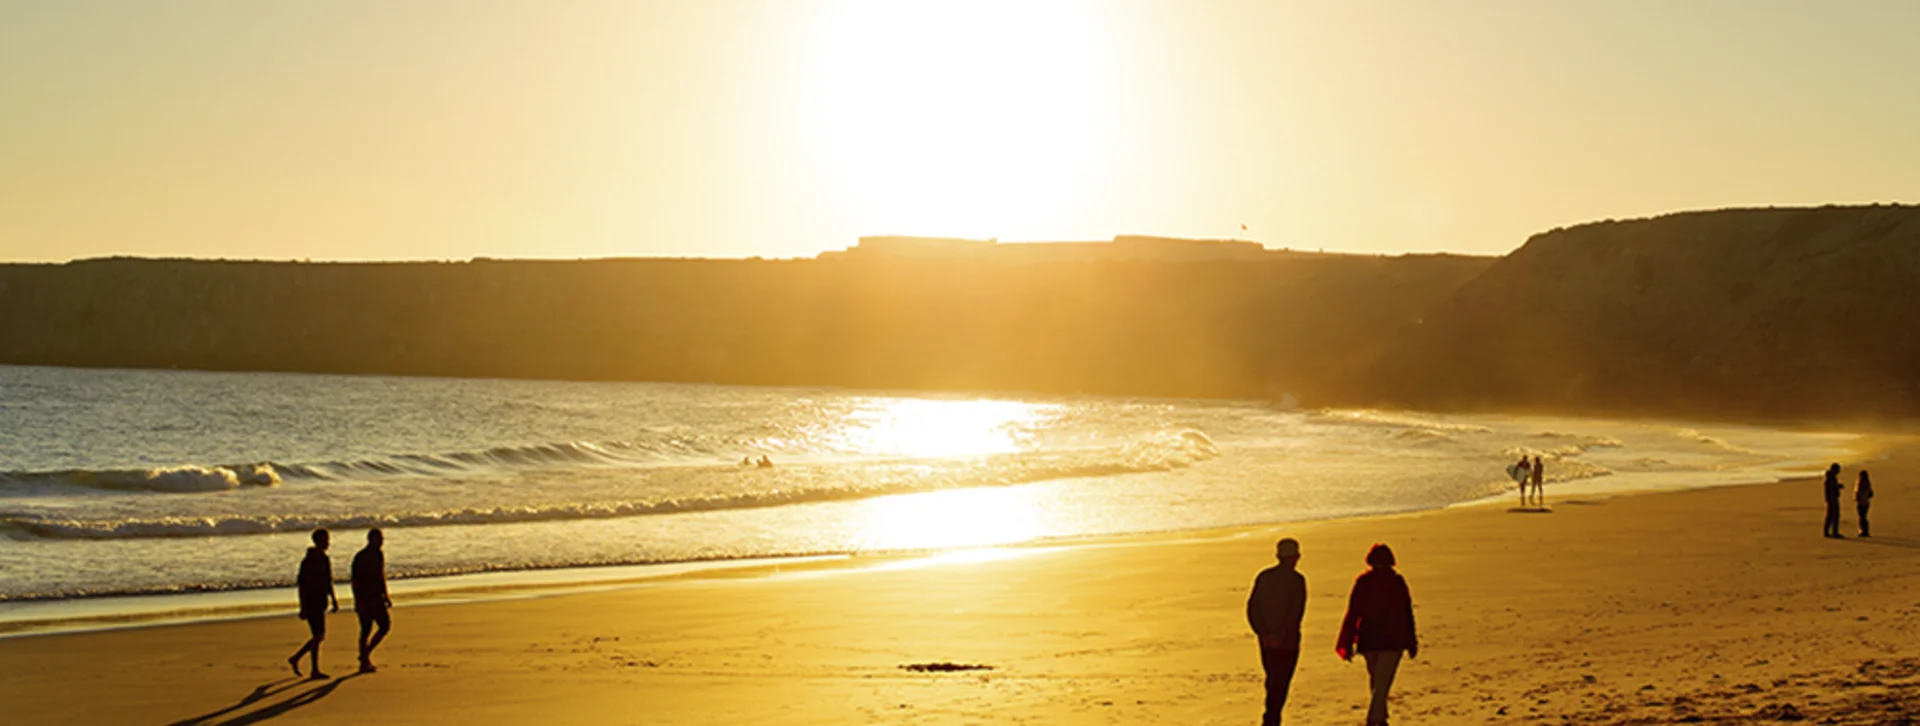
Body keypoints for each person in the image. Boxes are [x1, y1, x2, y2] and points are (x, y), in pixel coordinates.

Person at [1337, 543, 1417, 726]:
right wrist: (1412, 642)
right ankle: (1375, 720)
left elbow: (1353, 613)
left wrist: (1347, 642)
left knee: (1377, 683)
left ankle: (1380, 719)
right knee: (1382, 683)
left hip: (1369, 639)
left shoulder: (1363, 582)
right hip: (1392, 639)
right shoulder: (1397, 581)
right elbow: (1406, 612)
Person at [1246, 538, 1307, 726]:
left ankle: (1271, 716)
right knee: (1280, 680)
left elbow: (1252, 608)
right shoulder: (1297, 580)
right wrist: (1279, 635)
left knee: (1272, 678)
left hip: (1266, 640)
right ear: (1296, 557)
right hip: (1287, 641)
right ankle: (1272, 717)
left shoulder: (1264, 577)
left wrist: (1263, 633)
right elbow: (1295, 612)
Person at [288, 528, 338, 679]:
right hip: (311, 602)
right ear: (318, 541)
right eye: (325, 540)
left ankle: (302, 661)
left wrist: (334, 599)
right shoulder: (308, 561)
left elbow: (328, 580)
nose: (328, 543)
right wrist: (303, 606)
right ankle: (308, 665)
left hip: (320, 601)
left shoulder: (324, 558)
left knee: (319, 635)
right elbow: (302, 585)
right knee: (318, 635)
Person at [351, 528, 393, 673]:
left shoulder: (379, 555)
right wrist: (358, 601)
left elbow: (381, 575)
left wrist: (386, 595)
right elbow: (355, 581)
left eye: (382, 539)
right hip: (365, 598)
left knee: (385, 626)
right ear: (371, 540)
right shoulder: (361, 557)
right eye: (379, 539)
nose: (382, 542)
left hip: (376, 596)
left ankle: (365, 654)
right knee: (365, 630)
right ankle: (364, 660)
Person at [1823, 463, 1845, 538]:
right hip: (1832, 499)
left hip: (1831, 499)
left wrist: (1838, 486)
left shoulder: (1830, 477)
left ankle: (1828, 532)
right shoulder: (1830, 478)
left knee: (1831, 515)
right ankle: (1833, 532)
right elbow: (1831, 489)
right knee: (1834, 515)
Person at [1857, 470, 1875, 538]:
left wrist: (1858, 498)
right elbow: (1871, 494)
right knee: (1864, 517)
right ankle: (1865, 530)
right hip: (1866, 502)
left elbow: (1857, 494)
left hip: (1861, 502)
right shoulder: (1868, 484)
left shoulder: (1860, 484)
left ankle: (1862, 530)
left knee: (1862, 517)